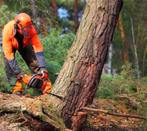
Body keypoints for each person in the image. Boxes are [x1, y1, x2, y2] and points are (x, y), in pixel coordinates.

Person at [2, 13, 51, 94]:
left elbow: (38, 48)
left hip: (25, 44)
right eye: (25, 28)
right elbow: (9, 55)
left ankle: (47, 88)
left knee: (36, 64)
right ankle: (16, 90)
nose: (28, 30)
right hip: (10, 45)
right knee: (9, 66)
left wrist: (42, 67)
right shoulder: (8, 30)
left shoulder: (31, 30)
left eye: (29, 27)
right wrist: (19, 73)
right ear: (18, 27)